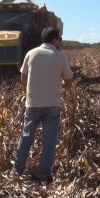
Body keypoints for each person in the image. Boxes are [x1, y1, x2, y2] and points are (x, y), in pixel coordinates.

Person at [13, 27, 73, 183]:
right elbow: (68, 82)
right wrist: (58, 84)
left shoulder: (31, 54)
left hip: (32, 103)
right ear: (54, 40)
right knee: (49, 141)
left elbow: (23, 79)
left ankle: (17, 169)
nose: (60, 41)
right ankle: (44, 173)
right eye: (59, 38)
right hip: (52, 105)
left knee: (26, 136)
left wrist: (31, 91)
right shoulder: (61, 57)